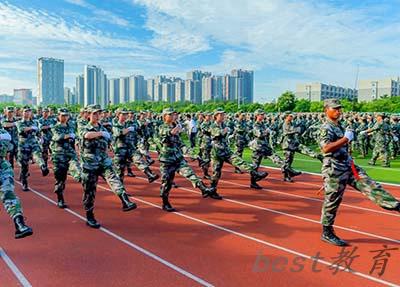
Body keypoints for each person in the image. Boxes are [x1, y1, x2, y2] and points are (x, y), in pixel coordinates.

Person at [319, 99, 400, 246]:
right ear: (326, 110)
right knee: (332, 201)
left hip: (349, 166)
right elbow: (325, 148)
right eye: (335, 109)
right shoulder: (325, 127)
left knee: (370, 185)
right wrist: (345, 139)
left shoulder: (340, 125)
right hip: (334, 169)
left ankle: (395, 205)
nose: (338, 111)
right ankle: (327, 232)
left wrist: (351, 135)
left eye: (339, 109)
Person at [79, 105, 137, 228]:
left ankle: (125, 200)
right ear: (88, 115)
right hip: (90, 163)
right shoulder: (83, 126)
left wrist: (107, 138)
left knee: (114, 178)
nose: (96, 116)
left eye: (98, 113)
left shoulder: (104, 127)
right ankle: (89, 215)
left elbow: (108, 142)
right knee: (90, 191)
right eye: (94, 113)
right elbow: (86, 135)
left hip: (103, 161)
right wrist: (101, 133)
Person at [158, 108, 214, 212]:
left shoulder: (176, 127)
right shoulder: (162, 127)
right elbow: (170, 133)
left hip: (178, 158)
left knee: (190, 173)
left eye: (174, 114)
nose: (174, 116)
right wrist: (178, 127)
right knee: (167, 183)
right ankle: (165, 203)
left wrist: (192, 153)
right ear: (165, 116)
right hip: (167, 160)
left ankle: (203, 188)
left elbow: (181, 144)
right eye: (170, 115)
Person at [209, 108, 268, 197]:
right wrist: (224, 130)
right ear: (216, 116)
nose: (223, 116)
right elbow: (218, 134)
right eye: (220, 115)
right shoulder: (213, 125)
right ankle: (212, 190)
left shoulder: (223, 124)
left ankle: (254, 173)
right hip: (216, 152)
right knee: (216, 173)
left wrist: (225, 130)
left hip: (226, 150)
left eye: (223, 114)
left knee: (239, 161)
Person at [0, 127, 33, 239]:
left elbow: (7, 143)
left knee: (8, 193)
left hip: (2, 167)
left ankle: (19, 224)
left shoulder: (4, 133)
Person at [50, 108, 82, 208]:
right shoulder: (55, 127)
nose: (64, 117)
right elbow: (56, 137)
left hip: (70, 154)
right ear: (58, 116)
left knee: (77, 170)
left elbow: (74, 138)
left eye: (66, 115)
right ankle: (60, 198)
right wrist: (68, 136)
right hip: (59, 156)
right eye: (62, 115)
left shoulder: (71, 126)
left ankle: (80, 178)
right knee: (61, 179)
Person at [16, 106, 49, 191]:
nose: (27, 113)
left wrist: (40, 138)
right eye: (25, 111)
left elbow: (38, 132)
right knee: (24, 165)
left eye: (29, 111)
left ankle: (43, 166)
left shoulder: (35, 122)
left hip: (33, 143)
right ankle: (24, 183)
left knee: (37, 154)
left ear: (31, 113)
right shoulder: (19, 122)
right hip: (23, 145)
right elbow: (21, 130)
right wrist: (31, 128)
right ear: (22, 113)